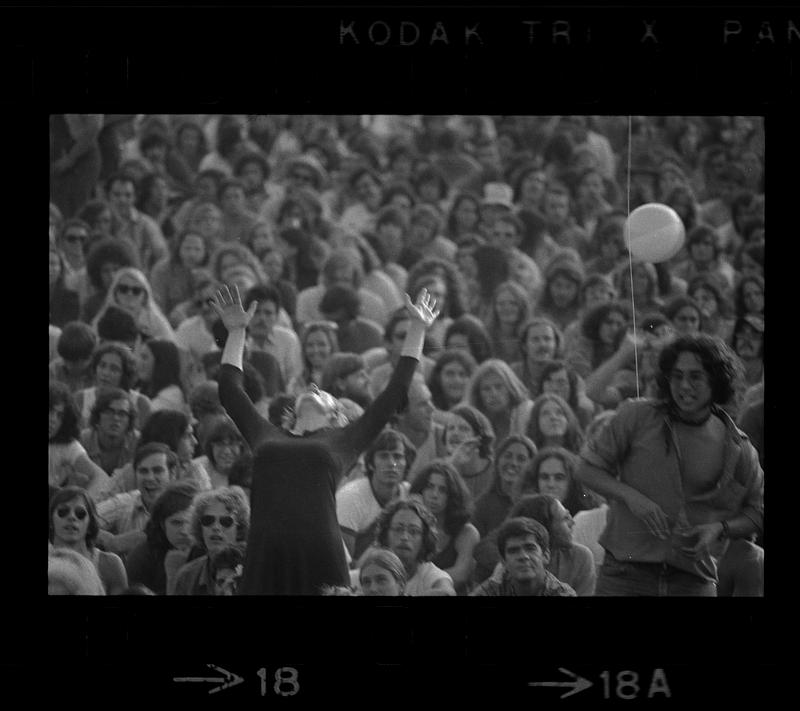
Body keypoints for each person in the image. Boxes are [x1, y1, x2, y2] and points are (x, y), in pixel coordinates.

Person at [213, 283, 440, 595]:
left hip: (319, 551)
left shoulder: (345, 439)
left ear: (336, 415)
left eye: (324, 393)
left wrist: (417, 328)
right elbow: (229, 391)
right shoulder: (266, 434)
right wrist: (237, 331)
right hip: (267, 553)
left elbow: (396, 392)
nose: (314, 388)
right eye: (309, 389)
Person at [575, 333, 764, 596]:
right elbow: (585, 469)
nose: (684, 385)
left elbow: (757, 512)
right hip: (625, 575)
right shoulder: (636, 416)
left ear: (717, 379)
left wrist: (720, 529)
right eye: (677, 376)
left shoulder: (738, 446)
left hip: (693, 580)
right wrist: (631, 497)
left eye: (695, 376)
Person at [336, 428, 416, 562]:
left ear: (406, 463)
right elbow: (343, 563)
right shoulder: (350, 497)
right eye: (384, 456)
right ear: (371, 463)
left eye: (397, 456)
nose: (391, 463)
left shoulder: (409, 494)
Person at [95, 442, 179, 557]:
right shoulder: (125, 502)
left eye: (157, 471)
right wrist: (110, 541)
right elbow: (84, 518)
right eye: (143, 471)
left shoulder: (186, 508)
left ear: (172, 474)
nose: (150, 478)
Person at [409, 461, 480, 594]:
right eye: (430, 487)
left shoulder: (467, 532)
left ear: (452, 496)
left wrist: (417, 582)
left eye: (443, 490)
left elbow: (460, 574)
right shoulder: (408, 528)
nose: (434, 495)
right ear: (420, 490)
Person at [170, 486, 250, 595]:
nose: (216, 527)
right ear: (199, 527)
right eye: (208, 520)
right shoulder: (186, 577)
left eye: (226, 521)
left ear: (239, 529)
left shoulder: (254, 573)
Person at [369, 497, 456, 596]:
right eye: (398, 529)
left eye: (413, 531)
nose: (404, 537)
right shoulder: (369, 571)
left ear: (424, 540)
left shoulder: (430, 574)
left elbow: (447, 592)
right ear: (385, 535)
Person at [49, 486, 128, 594]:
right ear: (51, 522)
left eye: (80, 513)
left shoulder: (109, 565)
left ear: (90, 525)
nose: (72, 517)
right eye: (63, 511)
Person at [469, 517, 576, 596]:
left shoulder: (562, 594)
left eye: (530, 548)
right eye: (513, 551)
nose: (523, 556)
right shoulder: (490, 592)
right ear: (503, 561)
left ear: (546, 556)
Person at [125, 480, 199, 595]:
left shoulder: (208, 551)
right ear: (162, 524)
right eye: (176, 523)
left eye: (190, 522)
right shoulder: (141, 557)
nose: (185, 531)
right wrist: (173, 575)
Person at [74, 341, 153, 427]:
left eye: (114, 369)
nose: (105, 373)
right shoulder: (80, 398)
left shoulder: (141, 404)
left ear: (125, 374)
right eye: (102, 365)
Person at [472, 434, 537, 538]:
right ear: (497, 461)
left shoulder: (537, 504)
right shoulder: (482, 506)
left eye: (521, 459)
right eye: (508, 456)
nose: (513, 463)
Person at [49, 381, 108, 496]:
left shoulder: (67, 445)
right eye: (50, 411)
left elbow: (101, 477)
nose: (53, 420)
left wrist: (81, 503)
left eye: (59, 415)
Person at [92, 267, 176, 342]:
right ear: (115, 292)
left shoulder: (155, 321)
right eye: (123, 289)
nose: (129, 294)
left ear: (145, 296)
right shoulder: (102, 319)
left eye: (136, 290)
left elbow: (170, 348)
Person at [465, 359, 533, 447]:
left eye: (499, 387)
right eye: (486, 389)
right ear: (478, 395)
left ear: (510, 388)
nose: (494, 394)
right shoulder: (474, 421)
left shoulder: (527, 411)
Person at [516, 446, 599, 517]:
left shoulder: (587, 519)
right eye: (544, 477)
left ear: (573, 482)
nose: (551, 484)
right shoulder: (523, 518)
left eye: (559, 478)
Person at [393, 374, 447, 480]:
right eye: (423, 404)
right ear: (400, 413)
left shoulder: (441, 437)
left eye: (430, 400)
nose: (432, 408)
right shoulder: (384, 440)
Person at [149, 229, 211, 320]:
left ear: (205, 251)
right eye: (187, 248)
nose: (192, 254)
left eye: (197, 249)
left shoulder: (211, 269)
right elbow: (157, 304)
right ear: (178, 249)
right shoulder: (162, 270)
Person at [80, 387, 140, 475]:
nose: (115, 418)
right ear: (98, 415)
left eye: (122, 414)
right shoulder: (82, 441)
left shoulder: (138, 442)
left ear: (129, 420)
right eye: (109, 412)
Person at [443, 404, 496, 501]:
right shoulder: (438, 468)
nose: (455, 433)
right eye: (450, 428)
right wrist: (453, 464)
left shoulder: (495, 471)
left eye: (463, 429)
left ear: (479, 438)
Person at [510, 317, 564, 399]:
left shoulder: (567, 374)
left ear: (556, 345)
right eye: (535, 340)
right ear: (524, 346)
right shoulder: (512, 374)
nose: (542, 344)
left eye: (547, 339)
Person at [286, 321, 339, 396]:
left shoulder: (342, 379)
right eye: (310, 345)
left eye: (321, 344)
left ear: (331, 347)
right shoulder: (296, 383)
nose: (315, 350)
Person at [485, 281, 532, 364]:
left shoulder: (531, 336)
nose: (507, 308)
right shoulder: (485, 336)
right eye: (501, 304)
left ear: (522, 307)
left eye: (513, 303)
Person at [193, 416, 248, 490]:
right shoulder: (198, 469)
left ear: (241, 446)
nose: (226, 451)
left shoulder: (251, 472)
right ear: (211, 447)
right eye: (220, 444)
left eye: (232, 444)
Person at [137, 339, 187, 412]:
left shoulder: (172, 395)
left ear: (160, 362)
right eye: (140, 357)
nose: (139, 362)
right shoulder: (142, 388)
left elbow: (147, 417)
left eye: (144, 358)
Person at [48, 321, 97, 394]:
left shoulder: (99, 373)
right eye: (65, 360)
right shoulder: (54, 370)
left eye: (75, 363)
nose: (69, 366)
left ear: (89, 357)